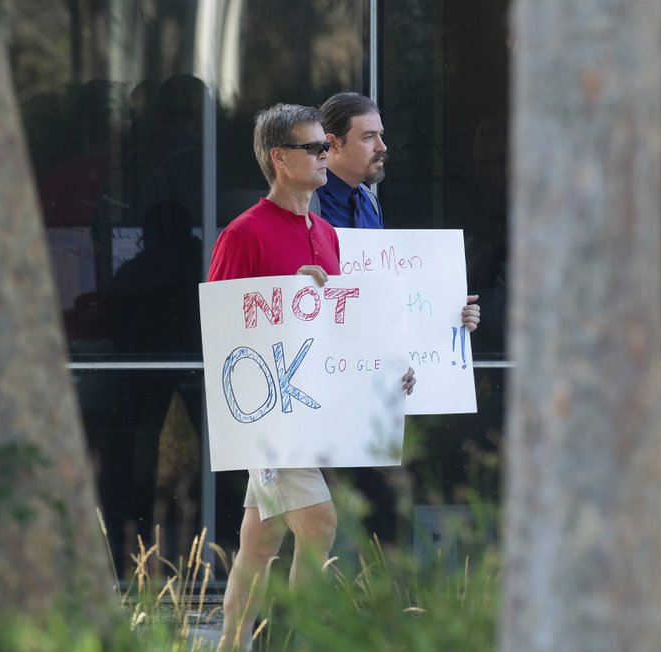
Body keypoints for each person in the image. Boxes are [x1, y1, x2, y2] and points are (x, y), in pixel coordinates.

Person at [207, 103, 416, 652]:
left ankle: (230, 645)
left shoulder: (325, 232)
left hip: (311, 415)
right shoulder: (244, 234)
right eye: (315, 148)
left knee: (260, 540)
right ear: (280, 158)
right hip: (270, 420)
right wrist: (284, 300)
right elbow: (225, 332)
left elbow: (340, 331)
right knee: (320, 522)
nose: (326, 157)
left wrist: (383, 373)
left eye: (327, 146)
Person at [313, 92, 481, 542]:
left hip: (372, 385)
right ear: (331, 144)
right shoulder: (305, 206)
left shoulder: (368, 203)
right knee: (311, 520)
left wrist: (449, 313)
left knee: (386, 510)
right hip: (320, 382)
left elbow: (385, 288)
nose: (383, 146)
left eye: (381, 135)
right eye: (369, 137)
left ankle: (388, 610)